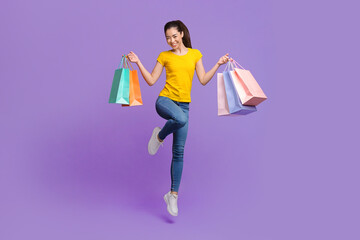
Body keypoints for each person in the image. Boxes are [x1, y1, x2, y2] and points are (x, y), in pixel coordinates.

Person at [126, 20, 230, 217]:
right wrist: (138, 61)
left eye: (174, 36)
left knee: (179, 152)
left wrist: (218, 63)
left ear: (182, 34)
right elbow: (150, 81)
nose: (171, 40)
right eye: (167, 38)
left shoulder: (194, 54)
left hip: (184, 105)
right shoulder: (164, 56)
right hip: (165, 101)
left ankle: (172, 195)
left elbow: (203, 80)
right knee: (180, 119)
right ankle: (159, 136)